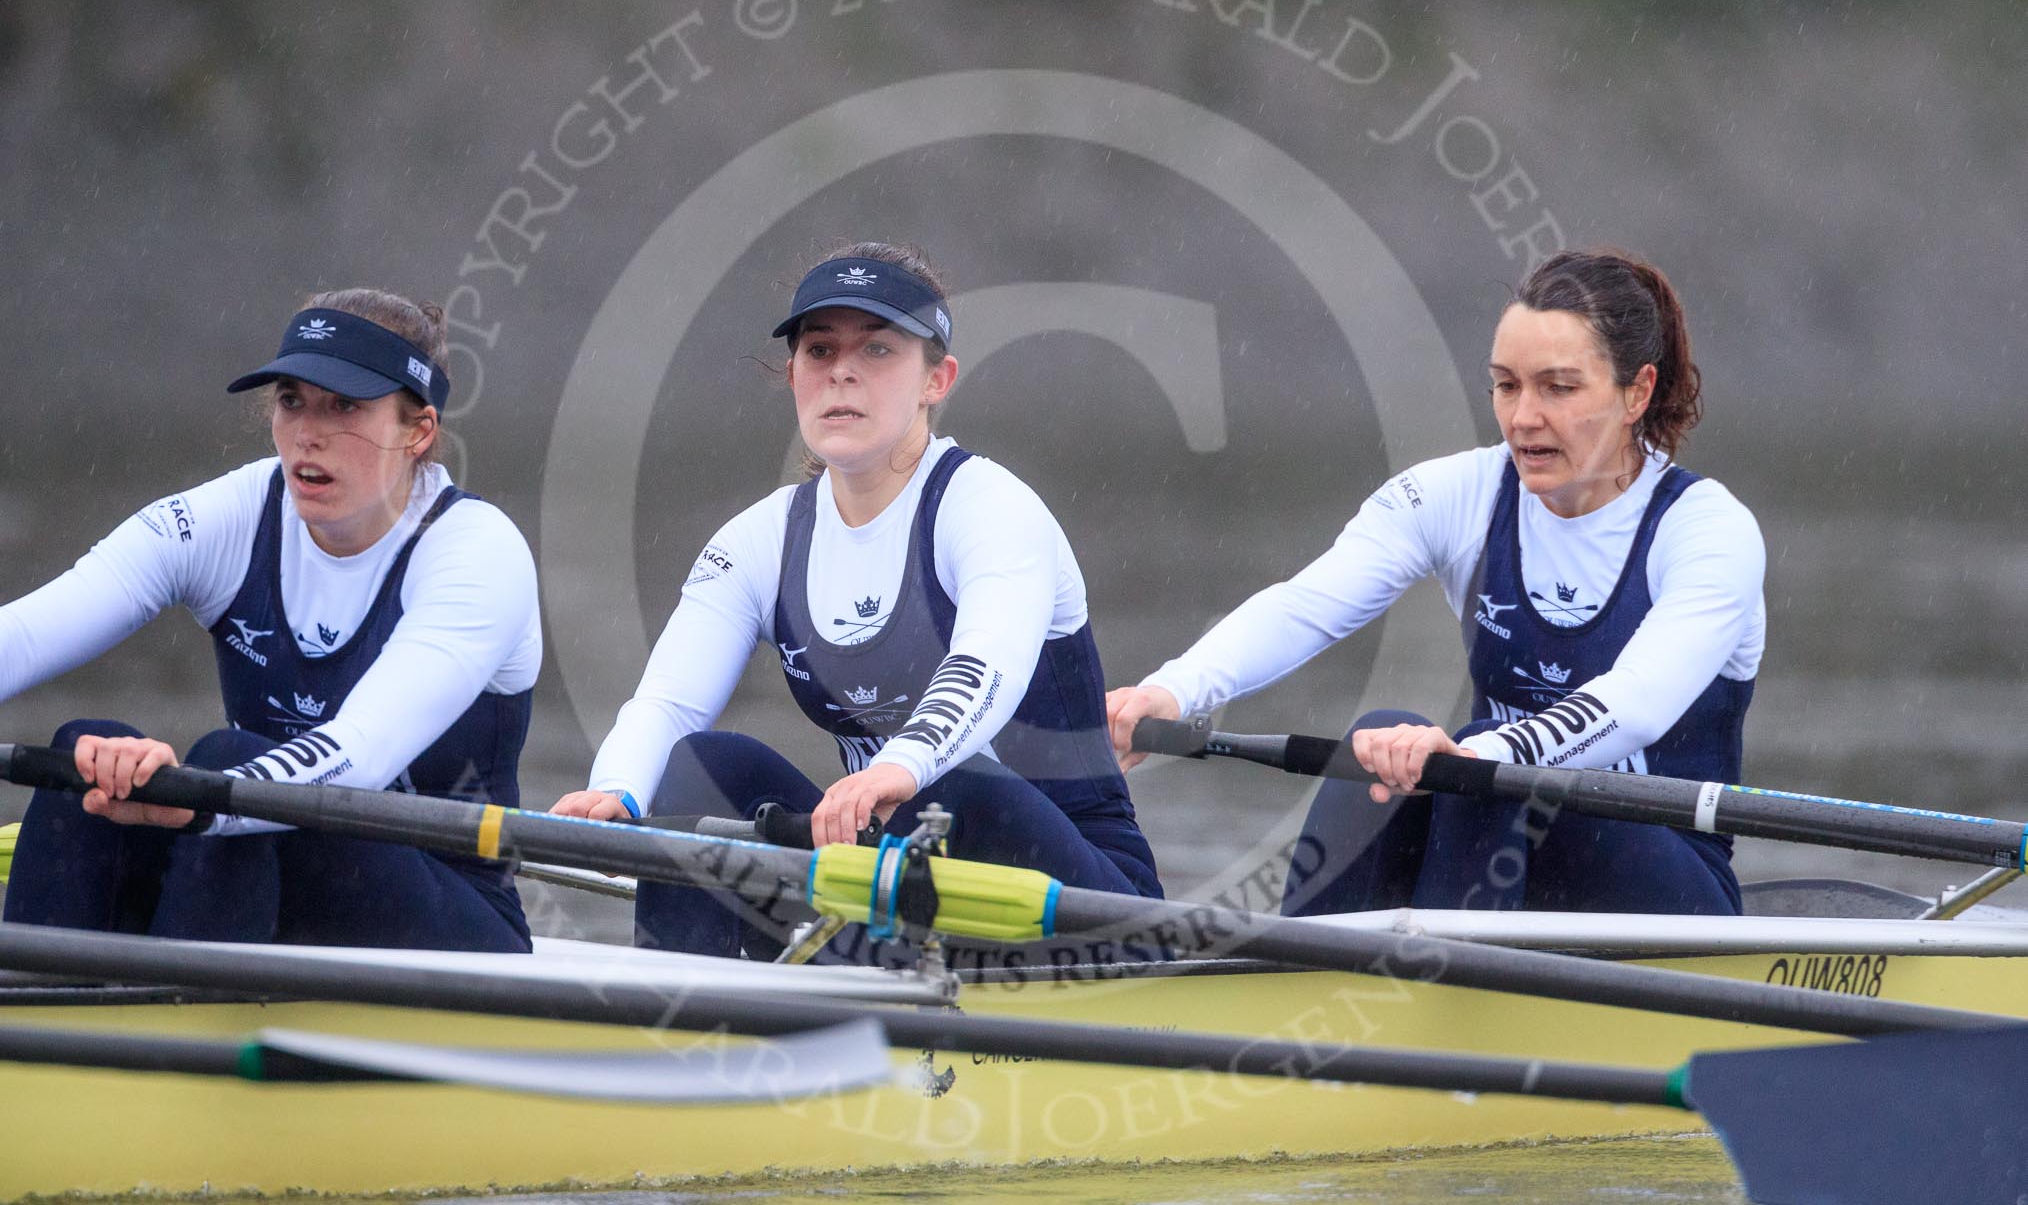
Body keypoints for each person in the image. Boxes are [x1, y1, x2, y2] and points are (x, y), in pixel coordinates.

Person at [1108, 248, 1764, 916]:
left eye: (1558, 388)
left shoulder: (1708, 533)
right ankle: (1306, 977)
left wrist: (1479, 753)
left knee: (1474, 771)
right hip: (1497, 858)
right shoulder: (1457, 497)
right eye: (1507, 385)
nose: (1524, 417)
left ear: (1637, 392)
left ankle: (1434, 987)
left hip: (1669, 893)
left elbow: (1639, 701)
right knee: (1382, 744)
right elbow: (1303, 606)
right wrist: (1172, 691)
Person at [552, 242, 1162, 958]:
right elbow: (667, 704)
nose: (841, 369)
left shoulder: (991, 508)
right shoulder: (759, 540)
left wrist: (897, 766)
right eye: (819, 349)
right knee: (707, 765)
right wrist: (617, 793)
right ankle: (685, 1024)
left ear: (938, 379)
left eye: (877, 348)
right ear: (793, 376)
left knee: (955, 790)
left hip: (1087, 905)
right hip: (892, 881)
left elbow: (984, 665)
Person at [0, 289, 542, 950]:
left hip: (453, 912)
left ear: (418, 430)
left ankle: (175, 1027)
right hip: (248, 869)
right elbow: (24, 638)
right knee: (85, 753)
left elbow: (362, 754)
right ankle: (36, 1007)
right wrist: (150, 785)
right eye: (292, 401)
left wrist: (196, 797)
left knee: (228, 765)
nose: (309, 434)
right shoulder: (228, 517)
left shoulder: (477, 552)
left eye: (344, 406)